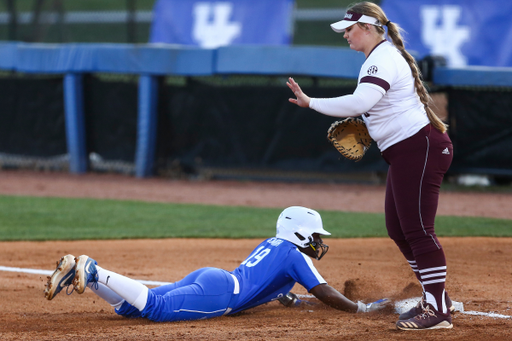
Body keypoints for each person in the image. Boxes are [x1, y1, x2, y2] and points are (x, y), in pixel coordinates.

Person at [287, 2, 454, 331]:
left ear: (367, 27)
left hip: (419, 148)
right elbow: (374, 106)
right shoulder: (379, 58)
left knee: (419, 231)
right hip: (406, 151)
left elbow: (362, 101)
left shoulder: (383, 58)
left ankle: (438, 310)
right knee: (399, 229)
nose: (346, 35)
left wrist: (311, 102)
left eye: (349, 29)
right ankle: (438, 299)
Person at [44, 206, 389, 322]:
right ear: (299, 234)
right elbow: (325, 291)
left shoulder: (273, 245)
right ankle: (94, 270)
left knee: (129, 310)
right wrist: (360, 309)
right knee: (155, 308)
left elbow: (277, 290)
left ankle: (86, 277)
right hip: (221, 294)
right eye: (314, 235)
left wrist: (291, 301)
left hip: (214, 279)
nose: (317, 242)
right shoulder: (294, 255)